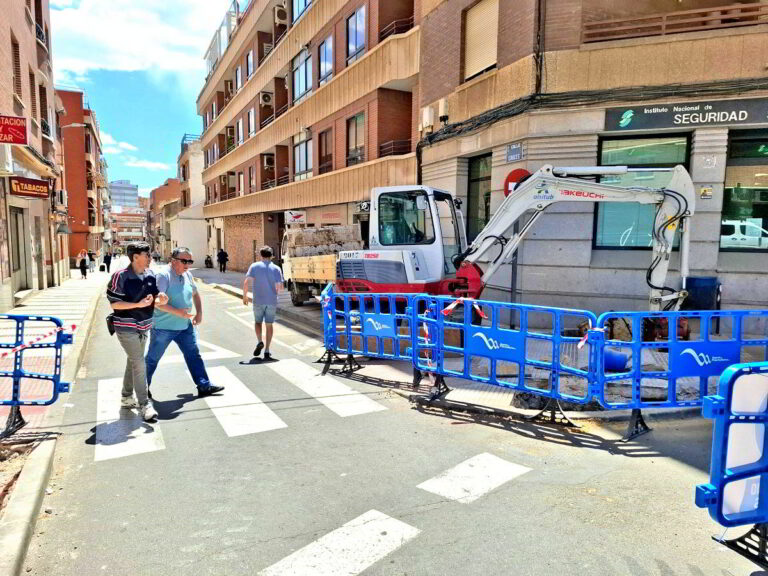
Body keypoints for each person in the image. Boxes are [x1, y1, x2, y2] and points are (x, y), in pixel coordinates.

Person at [145, 247, 225, 398]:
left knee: (193, 355)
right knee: (152, 359)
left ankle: (204, 385)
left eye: (190, 261)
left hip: (185, 326)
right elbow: (157, 303)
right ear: (173, 261)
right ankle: (142, 389)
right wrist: (179, 312)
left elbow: (195, 294)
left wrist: (199, 313)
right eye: (184, 261)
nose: (187, 264)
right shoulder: (163, 275)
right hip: (163, 327)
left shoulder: (187, 274)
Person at [106, 242, 168, 422]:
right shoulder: (120, 276)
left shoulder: (150, 275)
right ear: (135, 257)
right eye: (147, 255)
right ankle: (144, 404)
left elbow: (154, 298)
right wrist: (137, 305)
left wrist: (161, 298)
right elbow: (115, 304)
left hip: (144, 326)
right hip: (126, 327)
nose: (150, 257)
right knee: (139, 363)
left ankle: (126, 397)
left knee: (133, 361)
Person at [243, 245, 283, 360]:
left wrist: (245, 296)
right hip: (271, 301)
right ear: (271, 256)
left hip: (258, 300)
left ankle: (260, 341)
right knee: (269, 324)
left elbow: (246, 282)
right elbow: (279, 287)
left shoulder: (254, 266)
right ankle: (267, 350)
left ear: (260, 255)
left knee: (258, 322)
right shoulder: (276, 268)